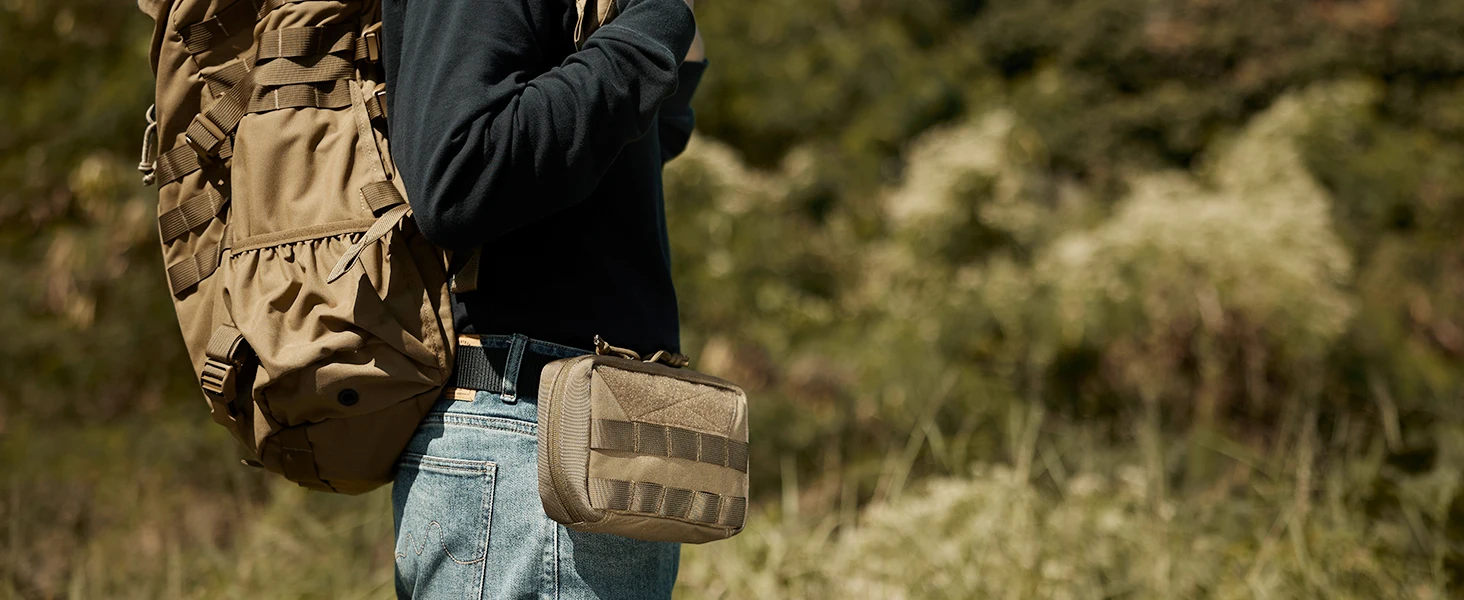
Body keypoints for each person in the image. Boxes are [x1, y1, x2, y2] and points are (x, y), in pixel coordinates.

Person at [380, 0, 706, 596]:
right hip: (532, 446)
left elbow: (630, 143)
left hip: (587, 441)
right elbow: (458, 177)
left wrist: (668, 35)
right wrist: (661, 14)